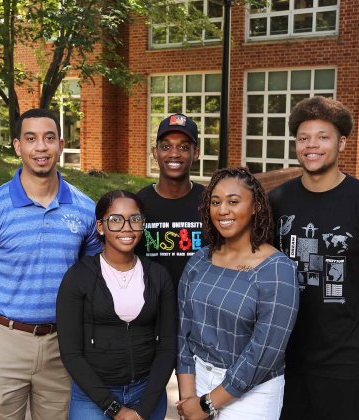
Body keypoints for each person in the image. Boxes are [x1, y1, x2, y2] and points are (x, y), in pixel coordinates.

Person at [0, 108, 101, 420]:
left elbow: (91, 277)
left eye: (49, 138)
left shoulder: (85, 210)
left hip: (61, 345)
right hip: (4, 343)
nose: (40, 147)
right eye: (31, 138)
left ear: (61, 145)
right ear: (17, 146)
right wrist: (9, 323)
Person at [269, 96, 359, 420]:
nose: (312, 145)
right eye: (304, 138)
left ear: (342, 142)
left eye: (323, 137)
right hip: (289, 359)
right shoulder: (277, 201)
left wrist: (352, 319)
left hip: (349, 362)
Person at [176, 167, 299, 420]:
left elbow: (265, 351)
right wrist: (188, 399)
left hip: (252, 393)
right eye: (215, 202)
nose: (222, 210)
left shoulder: (277, 269)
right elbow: (183, 330)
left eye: (233, 201)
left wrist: (208, 403)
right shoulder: (200, 259)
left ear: (255, 207)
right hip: (197, 381)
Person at [56, 190, 176, 420]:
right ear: (100, 227)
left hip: (146, 392)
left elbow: (168, 346)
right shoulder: (78, 277)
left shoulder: (158, 276)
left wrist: (144, 409)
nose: (127, 227)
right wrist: (116, 410)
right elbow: (71, 353)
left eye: (135, 219)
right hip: (93, 396)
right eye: (116, 220)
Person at [136, 113, 205, 289]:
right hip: (151, 308)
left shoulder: (210, 202)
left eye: (183, 147)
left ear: (195, 153)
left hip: (197, 308)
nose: (174, 154)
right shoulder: (137, 204)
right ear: (155, 152)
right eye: (166, 146)